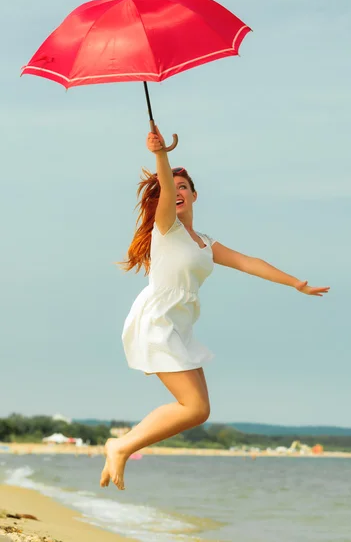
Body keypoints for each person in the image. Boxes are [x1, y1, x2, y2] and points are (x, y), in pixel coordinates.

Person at [100, 126, 330, 490]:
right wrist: (161, 155)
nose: (176, 193)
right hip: (157, 321)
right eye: (169, 188)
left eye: (183, 188)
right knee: (192, 407)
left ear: (194, 195)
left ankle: (122, 445)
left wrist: (296, 283)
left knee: (199, 410)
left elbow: (249, 262)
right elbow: (163, 182)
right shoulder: (167, 228)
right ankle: (121, 445)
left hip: (179, 323)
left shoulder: (204, 242)